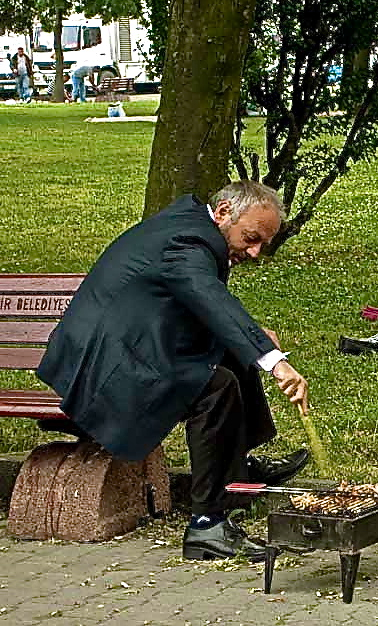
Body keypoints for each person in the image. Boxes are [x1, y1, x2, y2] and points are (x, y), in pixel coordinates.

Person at [37, 180, 310, 562]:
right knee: (217, 387)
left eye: (262, 243)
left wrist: (252, 340)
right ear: (224, 211)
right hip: (104, 370)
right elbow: (206, 294)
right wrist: (274, 361)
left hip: (130, 345)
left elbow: (197, 303)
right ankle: (206, 526)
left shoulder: (193, 225)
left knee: (234, 351)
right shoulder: (189, 243)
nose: (254, 251)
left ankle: (237, 474)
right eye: (251, 238)